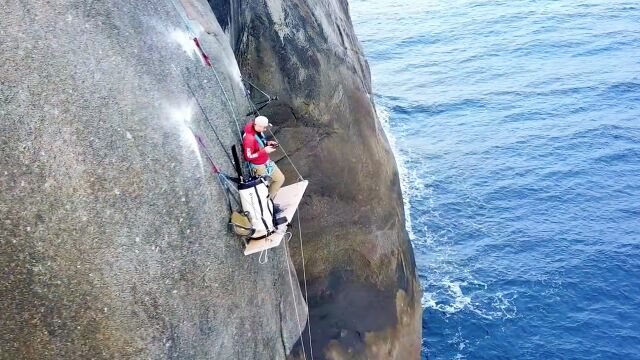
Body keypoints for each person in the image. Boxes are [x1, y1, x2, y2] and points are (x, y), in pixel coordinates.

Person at [242, 116, 285, 200]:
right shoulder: (249, 139)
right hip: (258, 166)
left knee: (280, 179)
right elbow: (248, 156)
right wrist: (264, 151)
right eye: (264, 127)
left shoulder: (257, 130)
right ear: (257, 125)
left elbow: (260, 142)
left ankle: (269, 199)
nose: (265, 129)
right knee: (263, 187)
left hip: (266, 162)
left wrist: (267, 143)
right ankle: (265, 201)